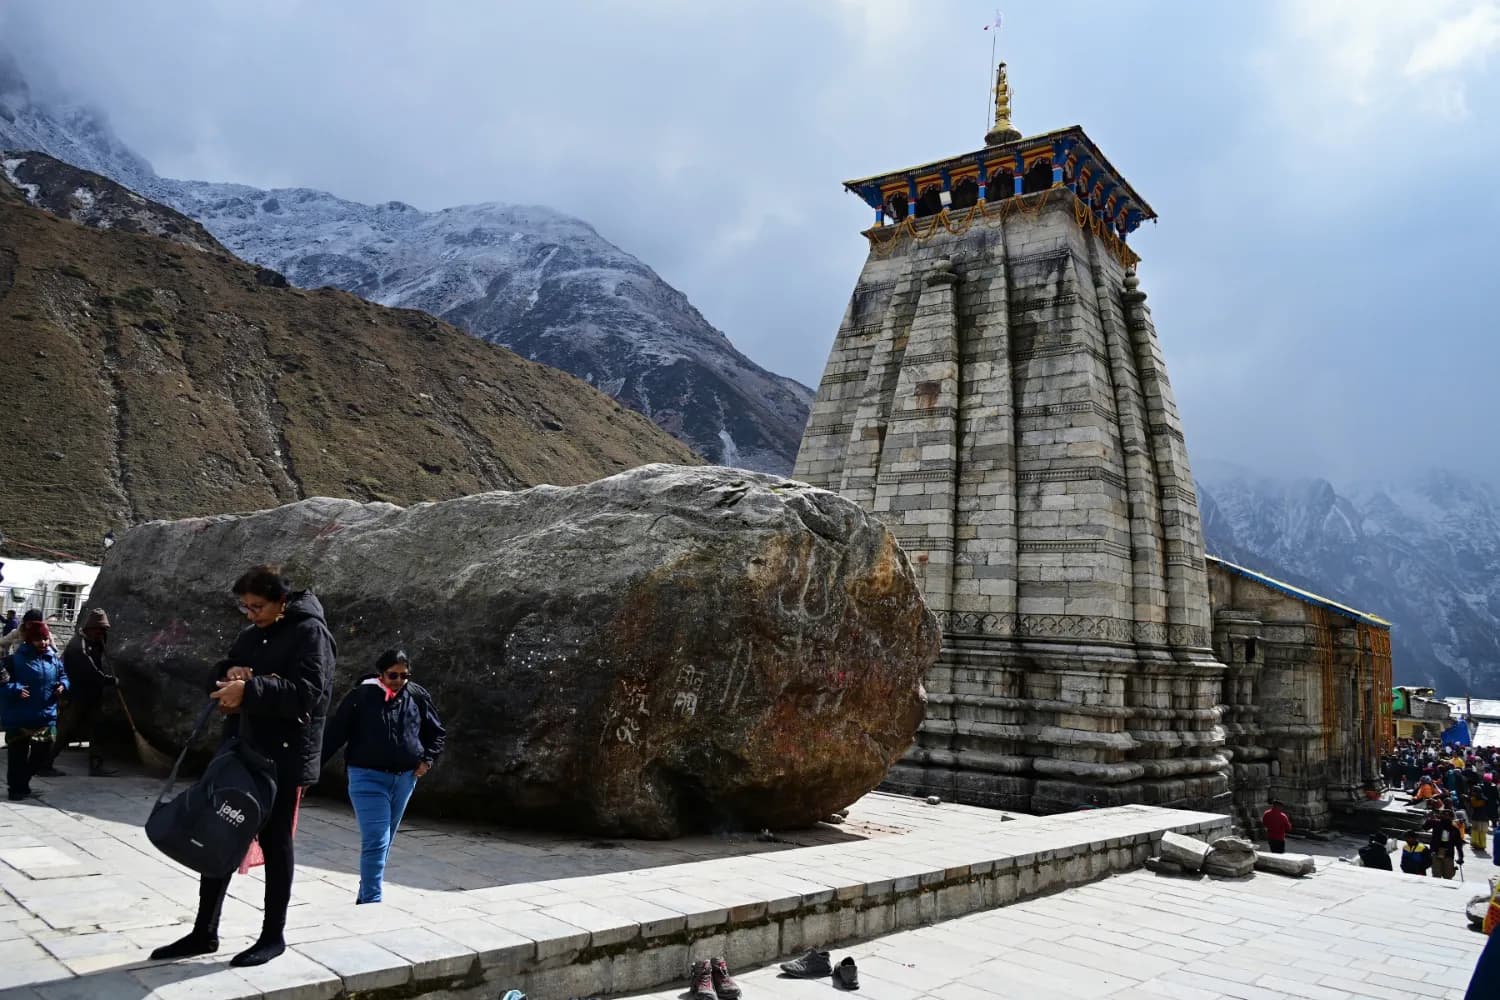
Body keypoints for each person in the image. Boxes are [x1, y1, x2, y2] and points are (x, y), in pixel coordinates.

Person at [149, 565, 335, 968]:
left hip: (283, 757)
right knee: (218, 830)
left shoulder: (310, 633)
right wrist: (228, 673)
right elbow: (227, 669)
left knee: (276, 843)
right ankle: (204, 931)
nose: (251, 614)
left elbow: (308, 693)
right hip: (242, 748)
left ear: (281, 601)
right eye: (245, 607)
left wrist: (250, 689)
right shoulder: (252, 634)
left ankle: (273, 935)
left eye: (258, 606)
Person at [322, 649, 446, 904]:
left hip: (405, 780)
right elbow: (334, 735)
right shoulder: (360, 696)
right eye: (393, 675)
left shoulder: (416, 695)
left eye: (404, 675)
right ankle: (372, 901)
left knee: (384, 840)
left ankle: (366, 891)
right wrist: (308, 772)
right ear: (381, 673)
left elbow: (436, 732)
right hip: (366, 777)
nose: (399, 680)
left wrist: (427, 760)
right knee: (377, 839)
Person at [0, 621, 67, 800]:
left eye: (45, 639)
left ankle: (22, 782)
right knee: (17, 756)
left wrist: (63, 685)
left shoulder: (53, 658)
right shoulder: (13, 661)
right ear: (29, 641)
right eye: (38, 639)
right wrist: (15, 689)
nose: (43, 643)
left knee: (43, 753)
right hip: (19, 716)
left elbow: (63, 675)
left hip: (45, 716)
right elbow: (2, 685)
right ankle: (16, 790)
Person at [55, 608, 118, 776]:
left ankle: (96, 766)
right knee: (66, 729)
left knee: (97, 727)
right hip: (77, 694)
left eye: (104, 630)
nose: (102, 633)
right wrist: (110, 680)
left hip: (92, 694)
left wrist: (101, 640)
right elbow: (91, 672)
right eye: (99, 630)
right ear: (90, 628)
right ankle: (44, 763)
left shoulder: (95, 641)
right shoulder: (79, 647)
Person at [1430, 808, 1466, 879]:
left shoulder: (1454, 830)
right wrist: (1430, 818)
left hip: (1448, 854)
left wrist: (1461, 857)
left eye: (1448, 816)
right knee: (1436, 875)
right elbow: (1425, 827)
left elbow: (1459, 845)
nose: (1446, 817)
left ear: (1451, 817)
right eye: (1444, 815)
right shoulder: (1436, 825)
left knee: (1448, 876)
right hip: (1436, 853)